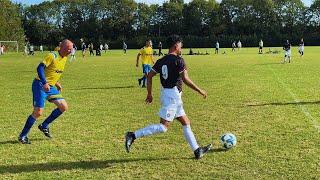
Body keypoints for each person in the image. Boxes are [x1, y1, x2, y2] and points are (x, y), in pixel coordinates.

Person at [125, 35, 212, 159]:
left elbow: (149, 76)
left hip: (168, 94)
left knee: (186, 122)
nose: (182, 47)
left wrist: (149, 94)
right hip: (173, 97)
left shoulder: (162, 60)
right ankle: (133, 135)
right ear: (176, 45)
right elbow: (185, 79)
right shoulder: (179, 60)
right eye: (181, 45)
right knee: (163, 127)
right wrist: (200, 90)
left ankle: (197, 150)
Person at [18, 39, 73, 144]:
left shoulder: (64, 57)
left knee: (63, 106)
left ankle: (44, 125)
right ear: (63, 48)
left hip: (50, 86)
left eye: (71, 49)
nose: (70, 51)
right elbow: (40, 68)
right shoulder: (52, 56)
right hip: (40, 84)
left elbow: (53, 71)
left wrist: (56, 82)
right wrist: (44, 82)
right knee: (38, 112)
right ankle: (23, 136)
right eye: (69, 49)